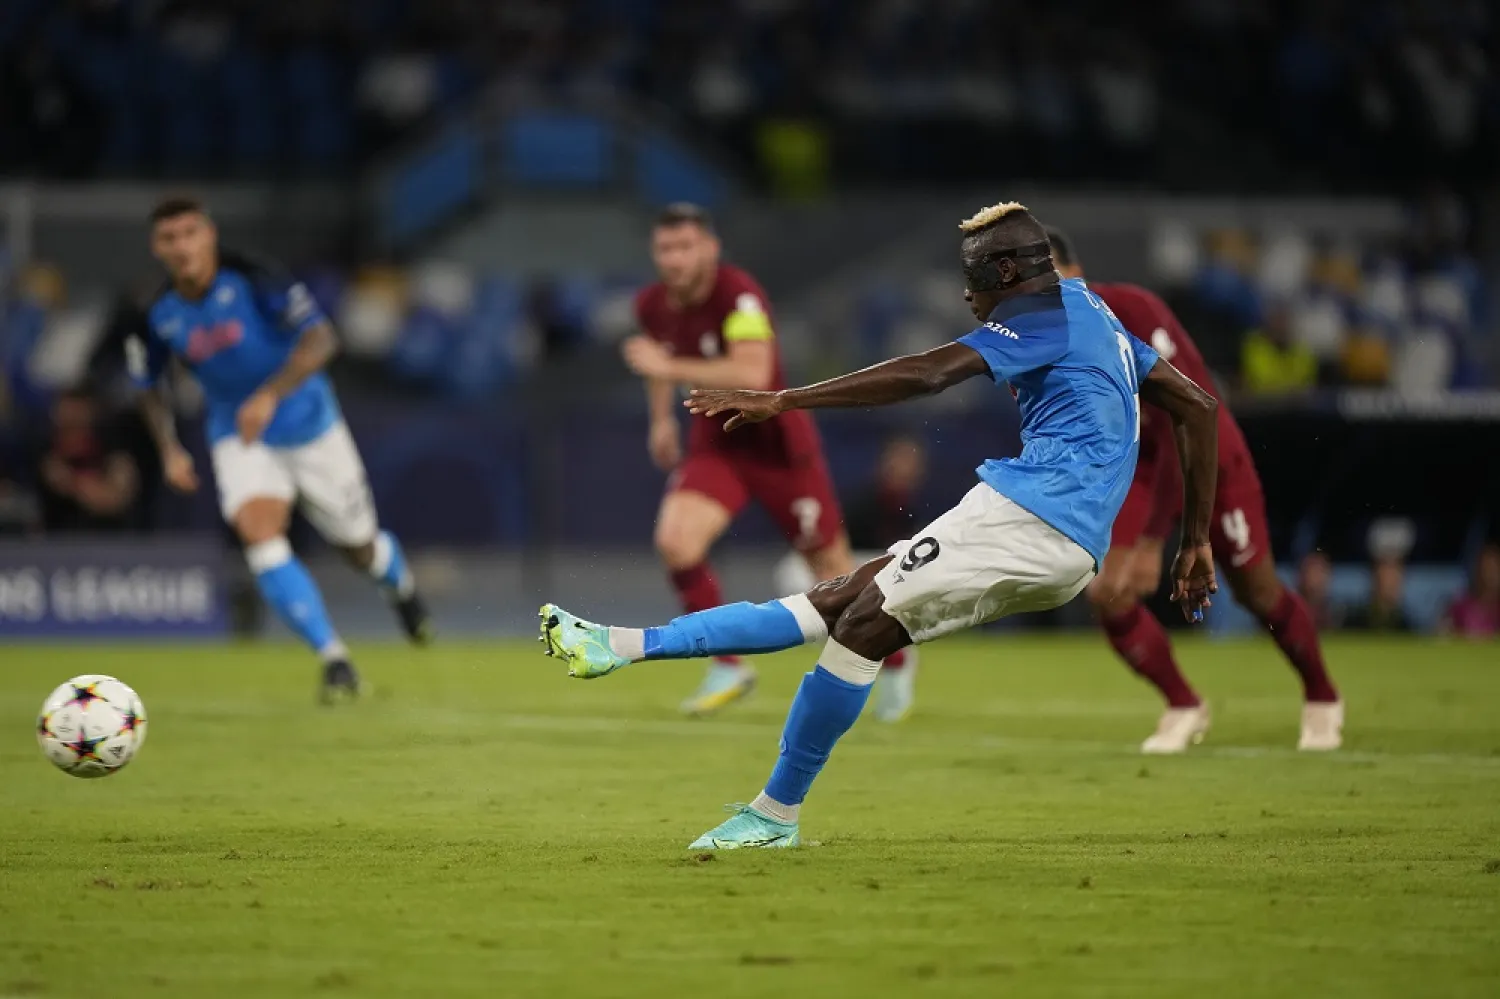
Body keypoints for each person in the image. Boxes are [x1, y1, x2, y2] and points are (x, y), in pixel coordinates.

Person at [542, 201, 1220, 848]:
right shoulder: (1092, 311)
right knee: (842, 603)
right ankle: (621, 647)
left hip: (1032, 517)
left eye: (974, 276)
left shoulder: (1043, 319)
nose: (967, 294)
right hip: (1058, 533)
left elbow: (927, 374)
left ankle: (770, 811)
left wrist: (786, 399)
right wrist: (1193, 542)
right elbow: (1198, 406)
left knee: (856, 619)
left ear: (1009, 271)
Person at [1048, 228, 1344, 753]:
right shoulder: (1047, 341)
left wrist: (1151, 539)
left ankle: (1322, 695)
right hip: (1144, 465)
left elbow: (1184, 417)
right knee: (1108, 593)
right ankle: (1184, 704)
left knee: (1257, 592)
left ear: (1074, 272)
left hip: (1208, 458)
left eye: (1046, 274)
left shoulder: (1132, 310)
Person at [126, 196, 432, 702]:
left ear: (210, 235)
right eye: (169, 238)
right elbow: (147, 384)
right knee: (259, 534)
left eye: (189, 233)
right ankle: (334, 659)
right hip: (239, 434)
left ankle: (399, 586)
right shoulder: (156, 313)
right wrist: (168, 448)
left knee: (357, 546)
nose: (181, 247)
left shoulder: (256, 277)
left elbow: (322, 340)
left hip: (311, 425)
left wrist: (269, 395)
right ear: (156, 247)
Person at [620, 203, 913, 720]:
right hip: (719, 447)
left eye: (686, 246)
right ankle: (727, 665)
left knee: (833, 575)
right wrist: (661, 420)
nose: (675, 258)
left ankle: (895, 660)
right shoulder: (652, 305)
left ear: (710, 249)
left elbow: (753, 372)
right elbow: (659, 363)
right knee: (676, 541)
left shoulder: (739, 294)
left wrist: (667, 365)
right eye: (665, 248)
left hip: (780, 450)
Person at [35, 384, 143, 533]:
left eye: (78, 423)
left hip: (111, 537)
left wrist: (73, 482)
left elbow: (116, 499)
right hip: (59, 539)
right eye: (67, 425)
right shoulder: (46, 450)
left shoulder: (112, 445)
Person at [1444, 544, 1500, 638]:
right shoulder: (1461, 607)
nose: (1490, 575)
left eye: (1495, 569)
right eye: (1486, 568)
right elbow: (1446, 631)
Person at [1346, 556, 1415, 633]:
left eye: (1394, 583)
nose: (1389, 586)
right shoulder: (1354, 620)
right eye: (1385, 581)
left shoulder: (1406, 624)